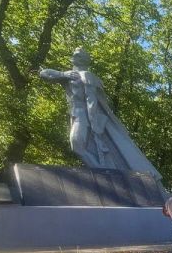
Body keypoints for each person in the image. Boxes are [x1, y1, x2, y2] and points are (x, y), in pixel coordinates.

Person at [39, 48, 161, 180]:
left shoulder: (86, 75)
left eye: (78, 55)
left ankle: (105, 175)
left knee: (76, 146)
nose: (74, 55)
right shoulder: (68, 75)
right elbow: (44, 74)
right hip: (75, 115)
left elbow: (91, 101)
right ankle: (105, 173)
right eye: (74, 54)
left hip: (83, 116)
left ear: (83, 60)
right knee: (78, 147)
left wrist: (95, 125)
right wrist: (64, 74)